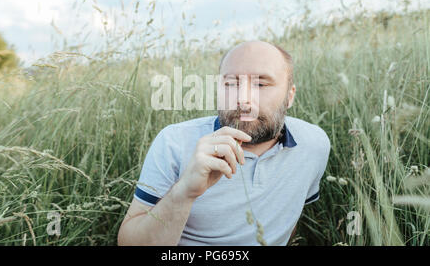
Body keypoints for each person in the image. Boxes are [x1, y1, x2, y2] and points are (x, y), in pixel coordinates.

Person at [117, 40, 330, 246]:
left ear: (289, 95)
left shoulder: (314, 145)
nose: (243, 99)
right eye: (231, 83)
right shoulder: (174, 142)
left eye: (260, 84)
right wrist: (184, 192)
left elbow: (288, 220)